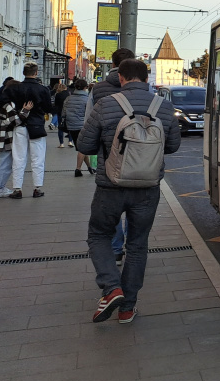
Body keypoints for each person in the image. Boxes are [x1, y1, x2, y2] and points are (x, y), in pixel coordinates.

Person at [78, 59, 181, 323]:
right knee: (137, 245)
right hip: (147, 188)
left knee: (99, 235)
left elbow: (85, 145)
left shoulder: (106, 104)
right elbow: (172, 147)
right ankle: (127, 308)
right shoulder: (165, 107)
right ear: (146, 79)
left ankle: (112, 288)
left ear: (121, 78)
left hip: (109, 186)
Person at [86, 48, 137, 266]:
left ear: (113, 62)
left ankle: (116, 248)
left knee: (110, 203)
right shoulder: (145, 90)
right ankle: (133, 249)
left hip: (107, 155)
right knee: (136, 204)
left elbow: (88, 121)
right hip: (137, 155)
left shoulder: (98, 89)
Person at [3, 63, 54, 198]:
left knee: (19, 158)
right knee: (38, 158)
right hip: (37, 126)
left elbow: (3, 101)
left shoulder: (16, 88)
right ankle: (37, 188)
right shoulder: (43, 89)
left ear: (23, 72)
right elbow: (49, 108)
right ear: (36, 73)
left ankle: (17, 189)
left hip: (20, 125)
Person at [0, 88, 33, 198]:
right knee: (4, 165)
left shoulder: (1, 104)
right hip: (4, 139)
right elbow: (16, 121)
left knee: (0, 163)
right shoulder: (8, 105)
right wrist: (25, 110)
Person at [63, 79, 94, 177]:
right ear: (85, 88)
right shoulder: (87, 99)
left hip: (71, 126)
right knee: (82, 148)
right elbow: (90, 114)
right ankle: (78, 169)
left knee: (81, 147)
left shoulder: (68, 98)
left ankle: (89, 167)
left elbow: (63, 113)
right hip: (83, 126)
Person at [54, 82, 71, 148]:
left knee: (60, 127)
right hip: (68, 112)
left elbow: (56, 104)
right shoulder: (69, 94)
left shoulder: (58, 95)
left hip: (60, 112)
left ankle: (61, 143)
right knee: (69, 127)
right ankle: (70, 141)